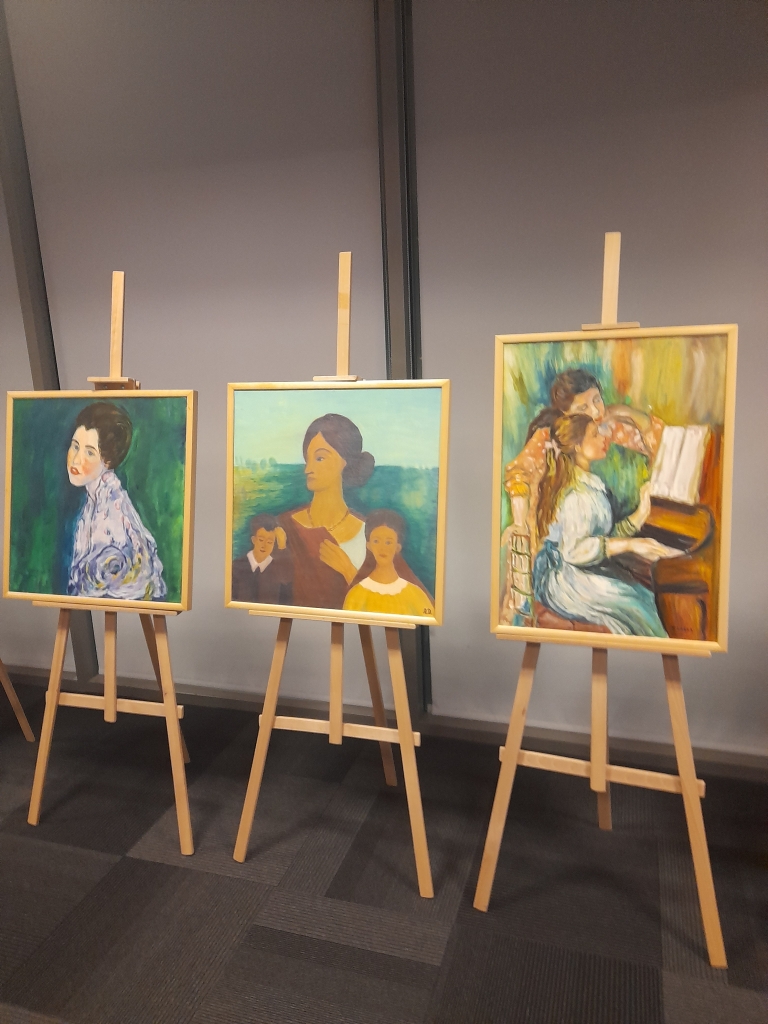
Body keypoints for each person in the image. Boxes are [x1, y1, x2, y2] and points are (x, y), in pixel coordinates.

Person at [532, 414, 677, 636]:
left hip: (582, 568)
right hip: (565, 578)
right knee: (636, 605)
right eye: (595, 435)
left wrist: (641, 513)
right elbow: (574, 551)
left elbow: (604, 537)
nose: (604, 438)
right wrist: (630, 545)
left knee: (644, 596)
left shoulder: (591, 485)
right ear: (578, 446)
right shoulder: (576, 495)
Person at [504, 368, 665, 552]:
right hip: (546, 532)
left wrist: (625, 412)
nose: (595, 411)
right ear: (565, 413)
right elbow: (518, 474)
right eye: (583, 408)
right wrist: (520, 523)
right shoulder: (550, 436)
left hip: (589, 532)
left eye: (597, 400)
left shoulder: (603, 425)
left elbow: (659, 441)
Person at [66, 402, 166, 600]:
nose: (76, 459)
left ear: (108, 461)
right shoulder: (94, 500)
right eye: (75, 446)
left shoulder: (111, 511)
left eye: (89, 452)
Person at [278, 413, 373, 609]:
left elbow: (390, 602)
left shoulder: (370, 534)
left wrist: (348, 571)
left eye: (319, 458)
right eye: (308, 459)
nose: (308, 469)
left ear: (345, 461)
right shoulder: (284, 527)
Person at [343, 510, 434, 617]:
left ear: (397, 547)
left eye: (388, 542)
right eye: (376, 541)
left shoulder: (415, 594)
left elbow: (429, 621)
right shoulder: (356, 595)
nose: (382, 548)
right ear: (369, 545)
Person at [231, 513, 293, 604]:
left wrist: (282, 545)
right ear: (253, 540)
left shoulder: (278, 570)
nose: (264, 545)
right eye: (261, 540)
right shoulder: (237, 566)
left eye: (269, 542)